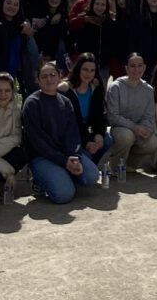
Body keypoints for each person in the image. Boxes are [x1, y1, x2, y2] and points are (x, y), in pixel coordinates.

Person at [23, 63, 100, 203]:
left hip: (66, 155)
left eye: (52, 75)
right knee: (64, 195)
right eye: (44, 76)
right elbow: (38, 142)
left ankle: (62, 175)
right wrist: (63, 161)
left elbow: (73, 134)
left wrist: (74, 157)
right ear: (38, 80)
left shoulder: (65, 102)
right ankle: (41, 180)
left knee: (92, 176)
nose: (49, 79)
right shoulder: (32, 104)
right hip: (42, 156)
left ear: (59, 77)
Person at [103, 53, 157, 171]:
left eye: (140, 66)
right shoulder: (116, 87)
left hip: (138, 128)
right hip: (119, 128)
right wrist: (134, 127)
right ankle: (114, 166)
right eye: (133, 66)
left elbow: (148, 116)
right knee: (126, 136)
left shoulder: (148, 90)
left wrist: (146, 129)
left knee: (152, 142)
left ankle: (130, 164)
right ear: (126, 68)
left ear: (144, 67)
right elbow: (113, 116)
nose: (136, 69)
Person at [58, 52, 112, 165]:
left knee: (107, 140)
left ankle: (93, 165)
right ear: (78, 69)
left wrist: (99, 133)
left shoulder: (95, 89)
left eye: (92, 70)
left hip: (86, 134)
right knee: (86, 156)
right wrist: (87, 141)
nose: (88, 74)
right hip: (71, 136)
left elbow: (100, 116)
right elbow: (70, 125)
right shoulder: (66, 90)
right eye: (85, 69)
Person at [0, 0, 38, 95]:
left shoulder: (23, 26)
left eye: (16, 4)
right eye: (8, 3)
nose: (12, 6)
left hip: (20, 72)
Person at [71, 0, 115, 79]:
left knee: (101, 91)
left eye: (103, 4)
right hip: (84, 66)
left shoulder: (110, 22)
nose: (99, 7)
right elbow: (71, 32)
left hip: (103, 67)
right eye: (97, 4)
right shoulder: (84, 20)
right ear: (92, 4)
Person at [35, 0, 70, 70]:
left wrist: (62, 14)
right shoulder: (39, 13)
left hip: (59, 57)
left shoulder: (64, 16)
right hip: (41, 55)